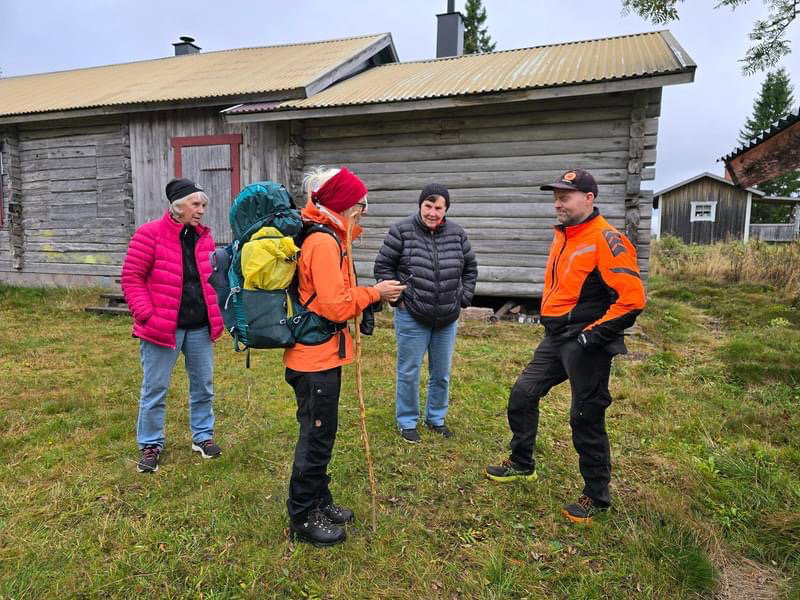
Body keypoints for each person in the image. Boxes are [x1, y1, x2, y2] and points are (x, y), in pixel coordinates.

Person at [485, 169, 646, 524]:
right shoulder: (565, 235)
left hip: (586, 341)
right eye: (555, 196)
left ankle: (595, 496)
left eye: (565, 196)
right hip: (555, 336)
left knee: (585, 416)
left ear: (589, 198)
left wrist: (593, 336)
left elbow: (632, 299)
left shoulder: (607, 238)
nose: (558, 202)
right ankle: (522, 463)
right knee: (523, 393)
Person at [284, 166, 405, 547]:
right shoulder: (323, 243)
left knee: (323, 433)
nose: (363, 210)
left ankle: (321, 500)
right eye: (359, 202)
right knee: (316, 437)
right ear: (340, 203)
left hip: (321, 355)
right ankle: (303, 516)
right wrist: (375, 293)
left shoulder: (328, 237)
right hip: (314, 360)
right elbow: (335, 306)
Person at [121, 178, 225, 473]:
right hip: (162, 327)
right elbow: (131, 278)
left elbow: (208, 279)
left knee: (203, 386)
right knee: (155, 389)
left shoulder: (203, 236)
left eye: (203, 205)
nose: (201, 210)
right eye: (196, 204)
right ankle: (151, 444)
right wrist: (146, 315)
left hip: (199, 327)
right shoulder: (149, 234)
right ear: (178, 206)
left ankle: (203, 437)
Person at [374, 183, 478, 443]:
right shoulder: (401, 231)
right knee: (409, 370)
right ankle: (407, 421)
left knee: (441, 372)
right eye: (428, 206)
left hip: (447, 317)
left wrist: (462, 299)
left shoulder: (457, 234)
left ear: (446, 209)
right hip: (412, 314)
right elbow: (383, 266)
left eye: (438, 208)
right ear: (420, 206)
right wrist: (399, 300)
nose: (432, 212)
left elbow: (470, 268)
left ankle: (436, 418)